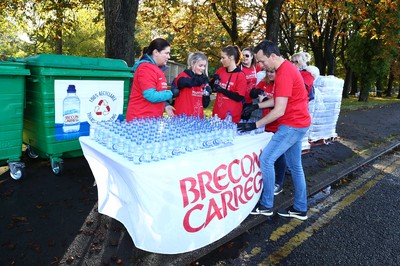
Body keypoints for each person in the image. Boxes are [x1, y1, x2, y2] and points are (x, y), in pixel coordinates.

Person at [238, 40, 311, 220]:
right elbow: (279, 100)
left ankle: (266, 205)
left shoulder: (284, 73)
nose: (261, 66)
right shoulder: (285, 69)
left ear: (272, 56)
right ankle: (300, 208)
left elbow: (279, 110)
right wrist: (257, 105)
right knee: (295, 166)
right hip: (300, 123)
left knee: (266, 159)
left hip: (292, 124)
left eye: (262, 61)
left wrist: (254, 125)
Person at [248, 68, 286, 196]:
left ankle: (279, 183)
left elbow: (278, 105)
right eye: (268, 72)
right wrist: (256, 91)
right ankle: (269, 180)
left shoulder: (280, 85)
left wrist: (263, 101)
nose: (269, 74)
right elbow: (252, 94)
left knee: (278, 154)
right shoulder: (265, 82)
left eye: (272, 72)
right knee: (268, 154)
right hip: (267, 123)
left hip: (279, 123)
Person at [126, 38, 177, 121]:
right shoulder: (145, 68)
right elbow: (151, 96)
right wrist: (171, 93)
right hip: (140, 120)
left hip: (151, 119)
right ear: (156, 52)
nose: (169, 57)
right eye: (166, 53)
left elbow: (158, 92)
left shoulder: (156, 69)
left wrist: (165, 105)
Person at [210, 45, 247, 123]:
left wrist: (222, 90)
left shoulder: (240, 75)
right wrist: (213, 81)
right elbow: (211, 86)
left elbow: (239, 97)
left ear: (231, 58)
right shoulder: (221, 70)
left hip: (231, 117)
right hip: (217, 114)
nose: (221, 60)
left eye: (223, 58)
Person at [172, 52, 211, 118]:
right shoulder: (183, 76)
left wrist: (207, 94)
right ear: (193, 63)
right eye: (200, 65)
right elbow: (185, 83)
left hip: (197, 118)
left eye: (204, 66)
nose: (203, 68)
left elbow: (205, 104)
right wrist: (201, 81)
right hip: (182, 117)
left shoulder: (203, 80)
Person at [240, 47, 258, 120]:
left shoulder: (256, 67)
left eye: (247, 55)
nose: (244, 57)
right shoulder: (239, 68)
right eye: (242, 55)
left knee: (246, 122)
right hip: (240, 101)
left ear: (252, 57)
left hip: (250, 101)